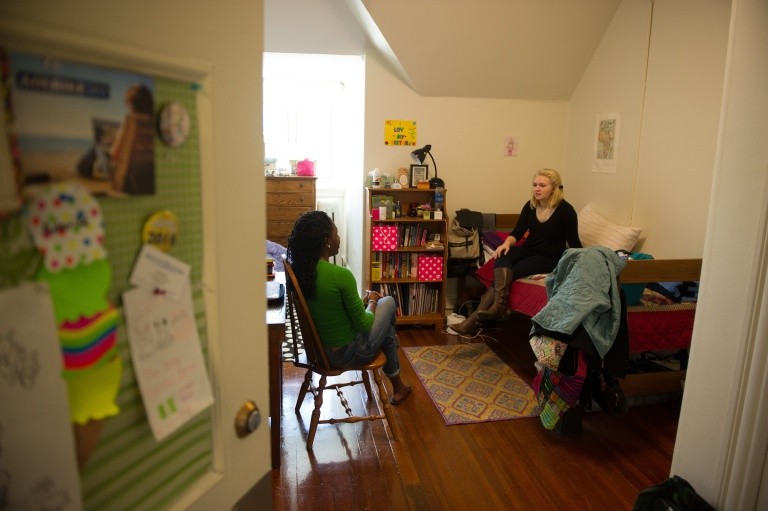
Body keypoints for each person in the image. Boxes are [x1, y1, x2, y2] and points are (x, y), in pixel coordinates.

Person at [286, 210, 412, 405]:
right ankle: (396, 372)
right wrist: (372, 301)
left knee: (385, 328)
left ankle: (399, 386)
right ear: (326, 240)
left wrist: (362, 303)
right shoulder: (340, 275)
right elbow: (364, 324)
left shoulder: (300, 271)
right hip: (346, 354)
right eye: (336, 233)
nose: (339, 238)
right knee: (388, 303)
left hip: (318, 352)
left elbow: (332, 307)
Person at [452, 168, 582, 334]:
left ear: (554, 188)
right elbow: (517, 232)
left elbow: (574, 242)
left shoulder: (566, 210)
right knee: (502, 254)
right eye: (535, 185)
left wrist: (583, 261)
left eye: (542, 185)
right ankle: (498, 306)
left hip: (549, 257)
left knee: (511, 272)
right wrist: (506, 243)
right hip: (529, 249)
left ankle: (472, 321)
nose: (537, 189)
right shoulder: (530, 206)